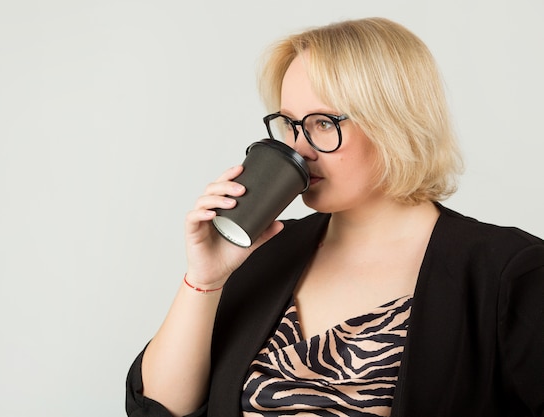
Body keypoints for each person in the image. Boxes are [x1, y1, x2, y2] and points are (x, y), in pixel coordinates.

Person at [126, 17, 544, 417]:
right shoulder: (264, 252)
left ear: (395, 123)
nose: (299, 148)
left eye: (323, 123)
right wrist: (205, 280)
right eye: (289, 124)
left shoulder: (509, 271)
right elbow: (159, 410)